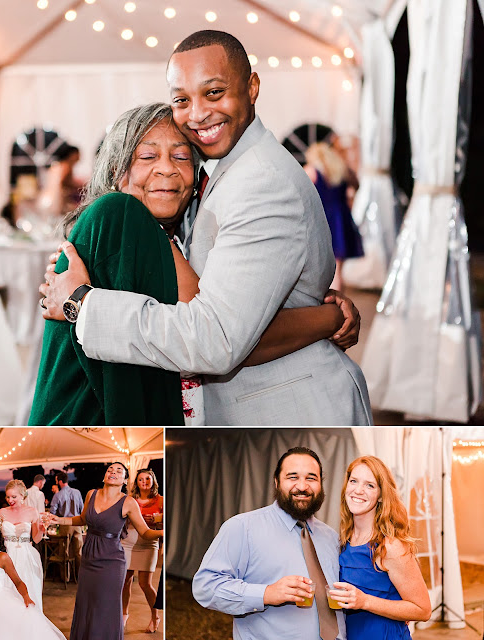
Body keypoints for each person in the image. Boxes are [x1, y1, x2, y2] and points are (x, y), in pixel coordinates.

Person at [39, 30, 372, 426]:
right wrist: (324, 316)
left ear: (252, 88)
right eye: (182, 99)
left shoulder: (259, 180)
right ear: (118, 168)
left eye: (213, 93)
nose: (196, 113)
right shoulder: (133, 214)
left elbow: (220, 336)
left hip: (285, 409)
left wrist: (81, 303)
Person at [193, 448, 345, 640]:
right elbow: (205, 587)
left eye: (311, 478)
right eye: (292, 477)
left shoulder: (330, 537)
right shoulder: (243, 527)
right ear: (276, 482)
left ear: (320, 485)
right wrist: (267, 593)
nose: (302, 486)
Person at [48, 462, 164, 640]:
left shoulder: (128, 502)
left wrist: (164, 532)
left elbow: (145, 532)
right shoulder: (91, 494)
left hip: (112, 560)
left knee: (106, 606)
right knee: (86, 603)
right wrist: (58, 520)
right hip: (88, 557)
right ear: (104, 476)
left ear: (124, 480)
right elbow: (82, 519)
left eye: (119, 471)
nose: (113, 472)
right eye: (110, 470)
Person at [328, 456, 431, 638]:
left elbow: (422, 610)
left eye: (370, 485)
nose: (358, 490)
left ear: (382, 495)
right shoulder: (343, 541)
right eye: (354, 481)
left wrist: (365, 601)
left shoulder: (390, 546)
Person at [304, 142, 363, 291]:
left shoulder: (311, 171)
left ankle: (329, 304)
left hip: (323, 219)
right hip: (341, 219)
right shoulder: (341, 169)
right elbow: (357, 185)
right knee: (338, 268)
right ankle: (336, 301)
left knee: (321, 266)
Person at [121, 469, 163, 633]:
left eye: (147, 478)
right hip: (128, 542)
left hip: (149, 543)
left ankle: (155, 616)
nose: (144, 481)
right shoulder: (130, 500)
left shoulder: (161, 501)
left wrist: (158, 522)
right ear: (136, 483)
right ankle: (124, 613)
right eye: (140, 479)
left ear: (153, 481)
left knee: (145, 583)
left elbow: (166, 526)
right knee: (125, 581)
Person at [0, 479, 46, 611]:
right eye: (8, 496)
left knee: (26, 590)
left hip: (25, 556)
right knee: (6, 592)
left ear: (22, 496)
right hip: (6, 556)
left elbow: (36, 539)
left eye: (14, 497)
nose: (10, 500)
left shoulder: (32, 512)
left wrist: (41, 529)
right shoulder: (1, 512)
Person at [49, 471, 84, 580]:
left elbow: (52, 512)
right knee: (79, 552)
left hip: (65, 524)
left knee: (65, 552)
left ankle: (66, 578)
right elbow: (82, 509)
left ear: (59, 481)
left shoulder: (58, 495)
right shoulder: (77, 492)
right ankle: (79, 577)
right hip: (77, 523)